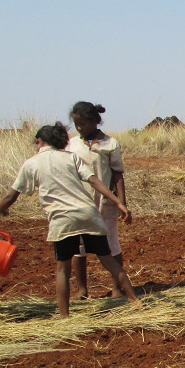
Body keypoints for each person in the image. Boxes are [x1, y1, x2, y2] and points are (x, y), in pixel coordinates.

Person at [0, 123, 137, 318]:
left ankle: (64, 317)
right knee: (108, 260)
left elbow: (10, 197)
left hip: (62, 220)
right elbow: (94, 181)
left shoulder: (32, 163)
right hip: (88, 214)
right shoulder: (71, 157)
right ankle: (134, 301)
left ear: (38, 141)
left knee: (62, 269)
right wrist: (118, 202)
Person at [67, 102, 128, 299]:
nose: (79, 128)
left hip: (105, 202)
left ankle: (117, 288)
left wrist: (122, 202)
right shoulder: (72, 144)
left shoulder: (110, 144)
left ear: (94, 121)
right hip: (79, 202)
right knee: (79, 247)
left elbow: (118, 175)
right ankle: (82, 290)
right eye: (76, 124)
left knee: (111, 245)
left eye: (82, 124)